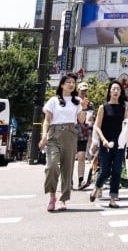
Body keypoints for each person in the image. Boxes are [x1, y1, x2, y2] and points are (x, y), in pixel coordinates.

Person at [40, 73, 89, 212]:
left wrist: (84, 107)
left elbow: (81, 120)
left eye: (73, 82)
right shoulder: (53, 100)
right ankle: (52, 196)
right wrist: (44, 136)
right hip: (54, 134)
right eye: (68, 82)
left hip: (70, 133)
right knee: (51, 166)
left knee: (67, 168)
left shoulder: (77, 100)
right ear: (62, 84)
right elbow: (47, 120)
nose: (71, 84)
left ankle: (63, 199)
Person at [90, 80, 128, 208]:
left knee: (117, 171)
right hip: (106, 143)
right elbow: (97, 126)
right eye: (113, 89)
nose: (116, 91)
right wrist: (103, 141)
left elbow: (126, 127)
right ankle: (96, 188)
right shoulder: (103, 107)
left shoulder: (124, 108)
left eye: (118, 89)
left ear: (120, 92)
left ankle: (113, 198)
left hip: (119, 144)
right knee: (105, 171)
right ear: (109, 91)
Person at [75, 82, 95, 189]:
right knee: (69, 158)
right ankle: (68, 180)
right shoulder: (73, 102)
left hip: (83, 133)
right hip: (71, 132)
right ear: (78, 90)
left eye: (85, 90)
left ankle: (80, 180)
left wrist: (89, 124)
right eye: (82, 90)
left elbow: (90, 118)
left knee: (81, 156)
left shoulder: (89, 104)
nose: (83, 92)